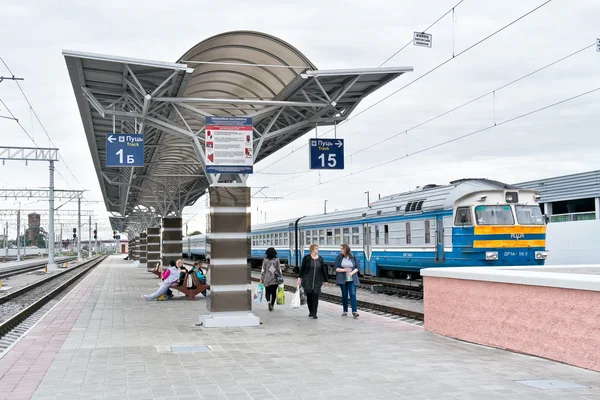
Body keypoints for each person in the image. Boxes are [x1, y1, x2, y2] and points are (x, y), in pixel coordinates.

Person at [298, 244, 328, 319]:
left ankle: (315, 313)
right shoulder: (306, 258)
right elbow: (303, 268)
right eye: (316, 249)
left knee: (315, 295)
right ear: (312, 250)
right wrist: (299, 278)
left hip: (317, 280)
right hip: (308, 279)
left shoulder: (320, 259)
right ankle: (311, 310)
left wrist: (325, 280)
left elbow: (323, 270)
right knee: (309, 295)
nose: (317, 250)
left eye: (317, 249)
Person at [334, 244, 360, 318]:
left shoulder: (353, 257)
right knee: (344, 295)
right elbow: (336, 268)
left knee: (353, 294)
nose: (341, 250)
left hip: (352, 279)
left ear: (346, 249)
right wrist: (344, 270)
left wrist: (351, 273)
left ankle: (354, 311)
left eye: (342, 249)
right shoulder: (339, 257)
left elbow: (357, 267)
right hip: (343, 279)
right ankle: (345, 311)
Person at [260, 247, 282, 311]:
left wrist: (261, 279)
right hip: (274, 279)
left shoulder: (265, 260)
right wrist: (280, 277)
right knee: (274, 293)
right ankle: (272, 305)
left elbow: (263, 270)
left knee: (267, 292)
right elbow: (278, 269)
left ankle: (268, 302)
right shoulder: (277, 259)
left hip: (267, 278)